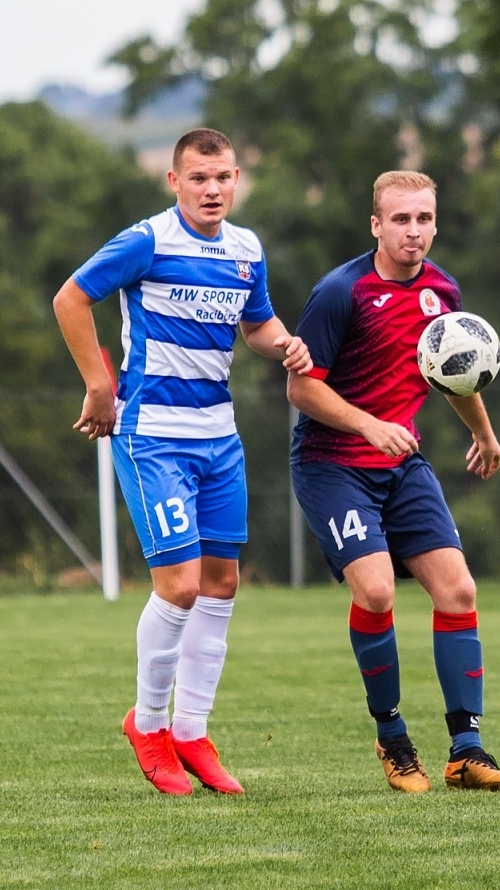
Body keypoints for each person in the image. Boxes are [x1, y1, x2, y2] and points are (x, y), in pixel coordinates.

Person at [52, 128, 312, 797]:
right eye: (199, 178)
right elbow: (70, 298)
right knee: (179, 586)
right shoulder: (147, 241)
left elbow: (257, 324)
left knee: (222, 584)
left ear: (236, 179)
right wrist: (99, 384)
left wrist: (287, 344)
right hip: (154, 436)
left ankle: (192, 732)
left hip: (218, 437)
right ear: (174, 182)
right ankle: (148, 724)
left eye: (223, 177)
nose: (213, 189)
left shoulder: (246, 249)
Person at [288, 170, 500, 793]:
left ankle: (467, 751)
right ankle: (393, 740)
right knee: (378, 592)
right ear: (376, 225)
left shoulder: (444, 291)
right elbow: (301, 387)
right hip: (332, 463)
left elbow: (456, 373)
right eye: (400, 220)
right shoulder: (341, 293)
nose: (412, 231)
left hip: (400, 464)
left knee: (459, 591)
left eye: (422, 219)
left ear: (435, 223)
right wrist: (368, 426)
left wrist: (485, 434)